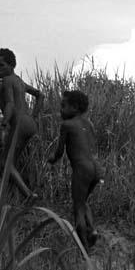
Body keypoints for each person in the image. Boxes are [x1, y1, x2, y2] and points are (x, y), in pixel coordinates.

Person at [47, 90, 104, 251]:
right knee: (83, 201)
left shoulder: (66, 125)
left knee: (77, 207)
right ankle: (92, 230)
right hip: (96, 168)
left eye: (63, 106)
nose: (61, 110)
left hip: (81, 169)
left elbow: (59, 152)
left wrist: (52, 159)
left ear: (76, 108)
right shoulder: (89, 124)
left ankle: (83, 248)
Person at [0, 48, 44, 200]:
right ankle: (13, 196)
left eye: (1, 65)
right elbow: (40, 95)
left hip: (19, 123)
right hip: (28, 123)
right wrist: (33, 117)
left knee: (5, 164)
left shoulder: (7, 81)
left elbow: (10, 104)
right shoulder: (19, 81)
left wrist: (2, 128)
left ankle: (29, 195)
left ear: (11, 65)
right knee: (12, 162)